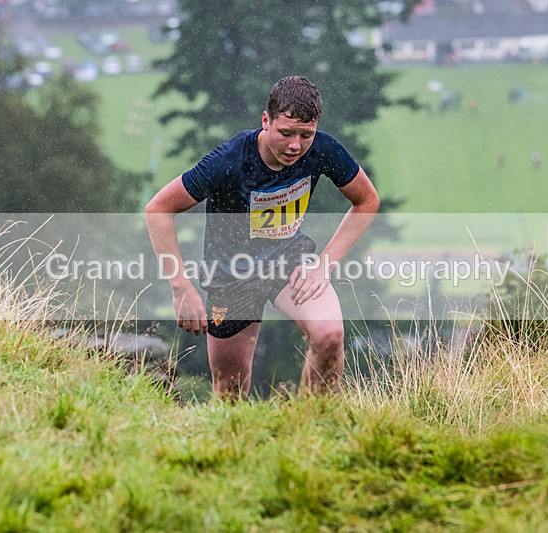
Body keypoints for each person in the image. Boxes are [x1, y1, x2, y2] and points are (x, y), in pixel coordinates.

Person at [145, 76, 380, 401]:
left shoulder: (323, 150)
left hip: (288, 261)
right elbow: (158, 209)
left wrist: (324, 265)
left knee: (329, 335)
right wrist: (180, 287)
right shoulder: (229, 160)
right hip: (231, 274)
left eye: (305, 135)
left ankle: (309, 429)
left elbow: (367, 201)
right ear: (266, 121)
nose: (295, 146)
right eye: (286, 133)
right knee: (230, 394)